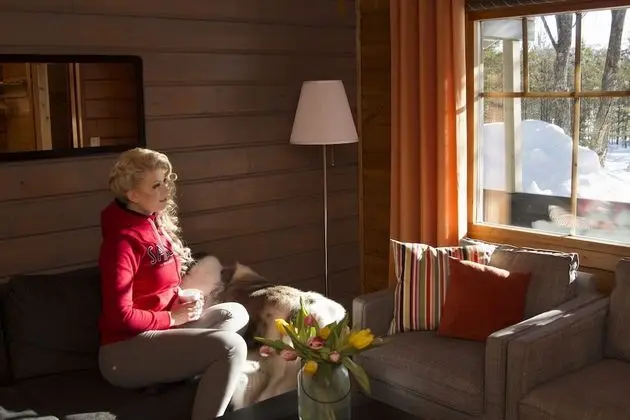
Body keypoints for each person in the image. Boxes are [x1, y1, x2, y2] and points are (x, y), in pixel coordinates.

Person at [97, 147, 249, 419]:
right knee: (231, 347)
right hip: (125, 352)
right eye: (156, 185)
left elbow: (154, 285)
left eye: (166, 180)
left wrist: (179, 296)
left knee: (235, 313)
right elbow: (119, 317)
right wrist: (172, 317)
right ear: (133, 195)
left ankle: (166, 378)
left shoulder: (153, 222)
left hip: (162, 333)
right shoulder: (121, 242)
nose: (167, 189)